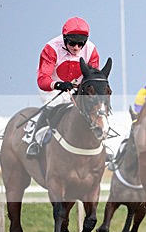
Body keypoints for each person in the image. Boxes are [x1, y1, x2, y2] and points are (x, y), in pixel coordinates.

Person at [26, 17, 100, 158]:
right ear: (64, 38)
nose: (76, 48)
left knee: (91, 107)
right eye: (72, 43)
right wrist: (58, 85)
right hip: (52, 86)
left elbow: (92, 76)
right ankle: (35, 139)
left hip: (77, 87)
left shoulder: (91, 50)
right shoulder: (51, 48)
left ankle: (100, 142)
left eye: (80, 44)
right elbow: (42, 79)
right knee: (55, 103)